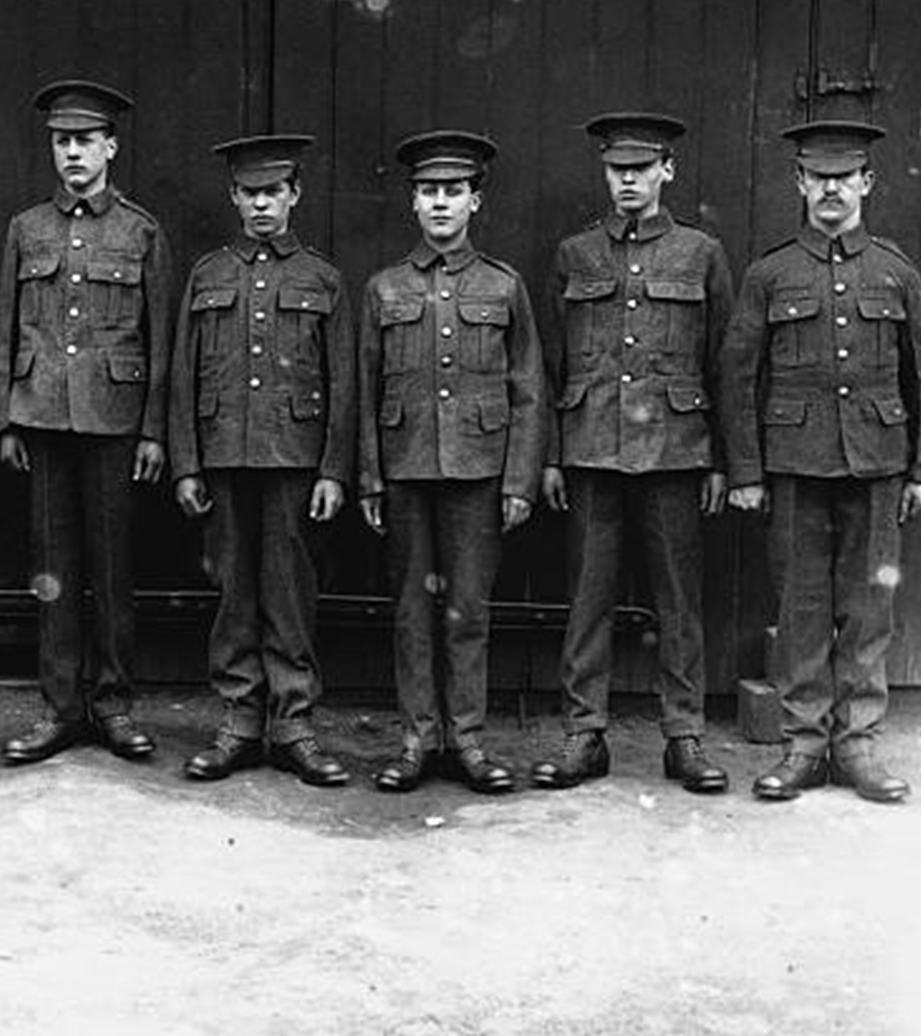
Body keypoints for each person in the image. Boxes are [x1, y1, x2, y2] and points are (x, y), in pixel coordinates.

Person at [722, 120, 921, 803]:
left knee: (869, 609)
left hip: (877, 464)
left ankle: (859, 747)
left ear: (866, 183)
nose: (830, 190)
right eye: (818, 178)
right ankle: (805, 745)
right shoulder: (770, 272)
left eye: (843, 178)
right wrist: (748, 473)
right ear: (800, 183)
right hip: (793, 466)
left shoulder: (895, 270)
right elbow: (738, 376)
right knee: (802, 609)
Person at [531, 113, 734, 794]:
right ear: (604, 173)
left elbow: (722, 368)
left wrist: (720, 460)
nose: (628, 181)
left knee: (680, 601)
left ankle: (685, 737)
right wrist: (554, 455)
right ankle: (583, 734)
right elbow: (551, 368)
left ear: (666, 171)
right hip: (591, 451)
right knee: (587, 600)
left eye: (641, 170)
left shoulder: (701, 253)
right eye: (617, 170)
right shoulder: (574, 255)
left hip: (676, 453)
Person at [358, 130, 547, 794]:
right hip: (407, 470)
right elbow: (367, 385)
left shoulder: (504, 285)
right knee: (412, 609)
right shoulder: (384, 288)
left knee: (469, 609)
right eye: (428, 191)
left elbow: (528, 389)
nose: (441, 203)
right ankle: (417, 738)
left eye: (453, 191)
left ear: (476, 201)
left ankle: (466, 739)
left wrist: (519, 478)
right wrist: (370, 475)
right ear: (413, 203)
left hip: (478, 473)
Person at [0, 80, 174, 764]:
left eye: (84, 142)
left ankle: (114, 705)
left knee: (111, 567)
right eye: (62, 142)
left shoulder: (140, 231)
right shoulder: (26, 229)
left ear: (110, 148)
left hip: (114, 419)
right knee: (53, 570)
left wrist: (154, 428)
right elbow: (5, 331)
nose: (73, 154)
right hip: (41, 417)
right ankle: (59, 708)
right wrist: (6, 419)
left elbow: (160, 339)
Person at [170, 134, 355, 786]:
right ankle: (238, 722)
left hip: (294, 461)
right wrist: (186, 463)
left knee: (289, 592)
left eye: (273, 192)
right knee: (233, 592)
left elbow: (342, 384)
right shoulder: (209, 274)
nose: (261, 204)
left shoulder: (321, 279)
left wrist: (334, 469)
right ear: (234, 197)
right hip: (224, 456)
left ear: (294, 195)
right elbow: (182, 377)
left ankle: (295, 724)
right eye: (250, 193)